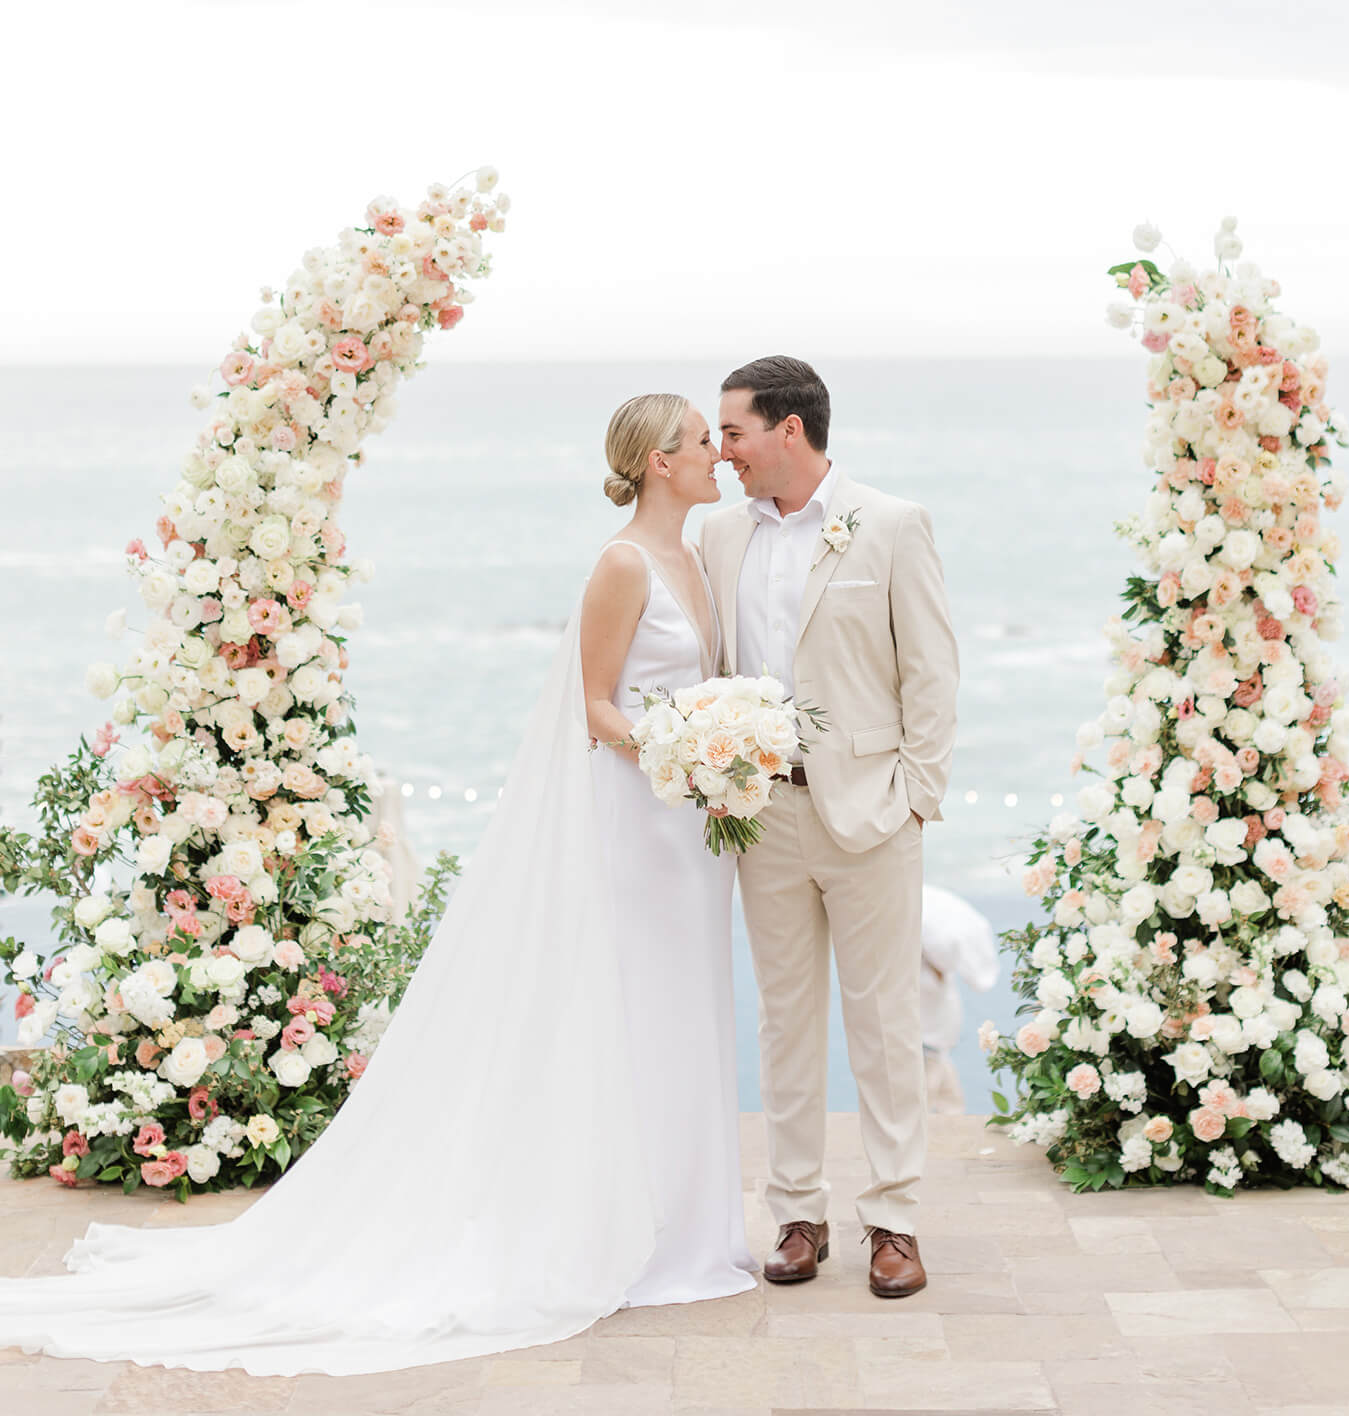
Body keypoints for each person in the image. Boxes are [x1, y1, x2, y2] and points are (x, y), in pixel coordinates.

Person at [0, 394, 755, 1377]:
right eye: (704, 443)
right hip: (636, 823)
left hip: (685, 832)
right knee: (627, 1013)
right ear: (660, 462)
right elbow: (594, 704)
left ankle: (685, 1231)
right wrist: (677, 743)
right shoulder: (621, 564)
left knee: (682, 1015)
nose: (717, 458)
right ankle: (624, 1227)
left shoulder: (695, 560)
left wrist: (720, 748)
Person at [701, 356, 960, 1299]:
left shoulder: (891, 525)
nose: (722, 450)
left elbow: (931, 670)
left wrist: (915, 796)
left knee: (885, 1022)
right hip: (762, 814)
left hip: (872, 816)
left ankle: (894, 1220)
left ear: (789, 432)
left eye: (733, 432)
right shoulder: (717, 537)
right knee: (784, 1021)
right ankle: (797, 1213)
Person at [920, 882, 999, 1115]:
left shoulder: (930, 929)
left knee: (950, 1108)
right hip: (924, 1049)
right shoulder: (929, 943)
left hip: (935, 1048)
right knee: (921, 1111)